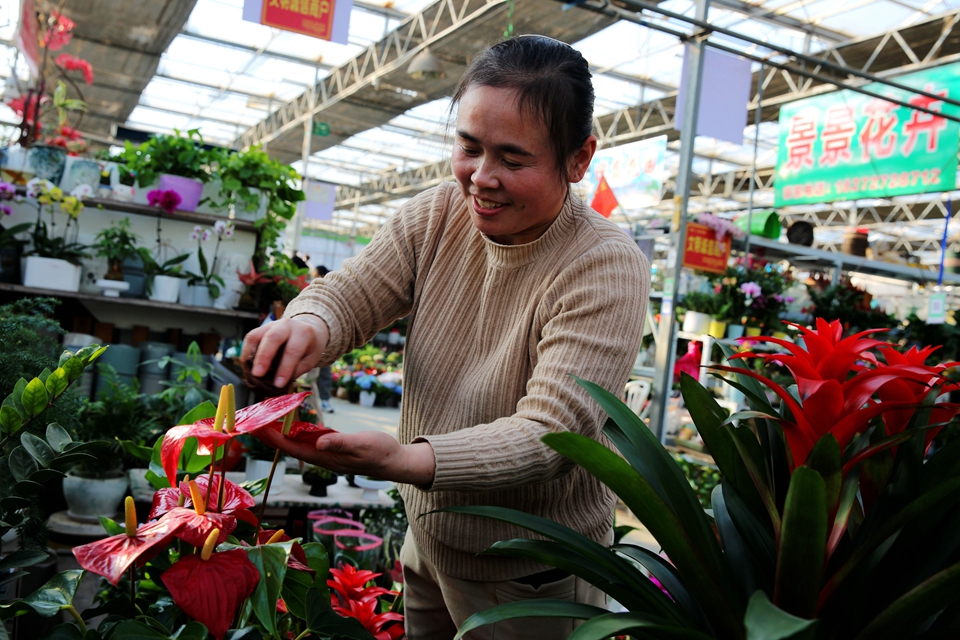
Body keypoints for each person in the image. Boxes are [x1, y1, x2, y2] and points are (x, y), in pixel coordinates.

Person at [243, 35, 650, 640]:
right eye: (469, 147)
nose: (481, 178)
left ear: (578, 158)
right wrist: (307, 325)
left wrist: (406, 460)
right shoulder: (438, 214)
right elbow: (351, 292)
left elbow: (552, 433)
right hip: (431, 536)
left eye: (513, 160)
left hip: (528, 573)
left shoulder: (604, 264)